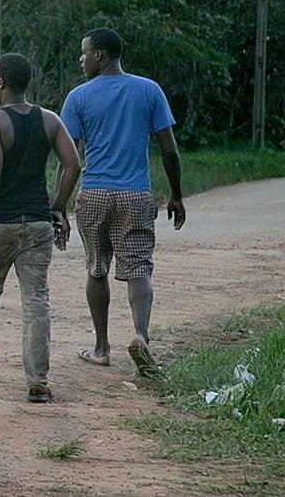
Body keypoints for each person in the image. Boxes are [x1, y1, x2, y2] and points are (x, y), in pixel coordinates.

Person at [60, 28, 185, 377]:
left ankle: (101, 348)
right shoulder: (149, 90)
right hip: (135, 194)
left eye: (84, 53)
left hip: (95, 192)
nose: (81, 59)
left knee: (96, 267)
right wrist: (176, 194)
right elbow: (169, 149)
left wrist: (59, 205)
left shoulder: (79, 97)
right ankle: (140, 335)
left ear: (100, 55)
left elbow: (68, 160)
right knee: (139, 268)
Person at [0, 53, 81, 402]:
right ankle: (37, 380)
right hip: (38, 224)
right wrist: (57, 207)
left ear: (0, 83)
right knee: (36, 300)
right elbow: (72, 166)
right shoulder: (51, 120)